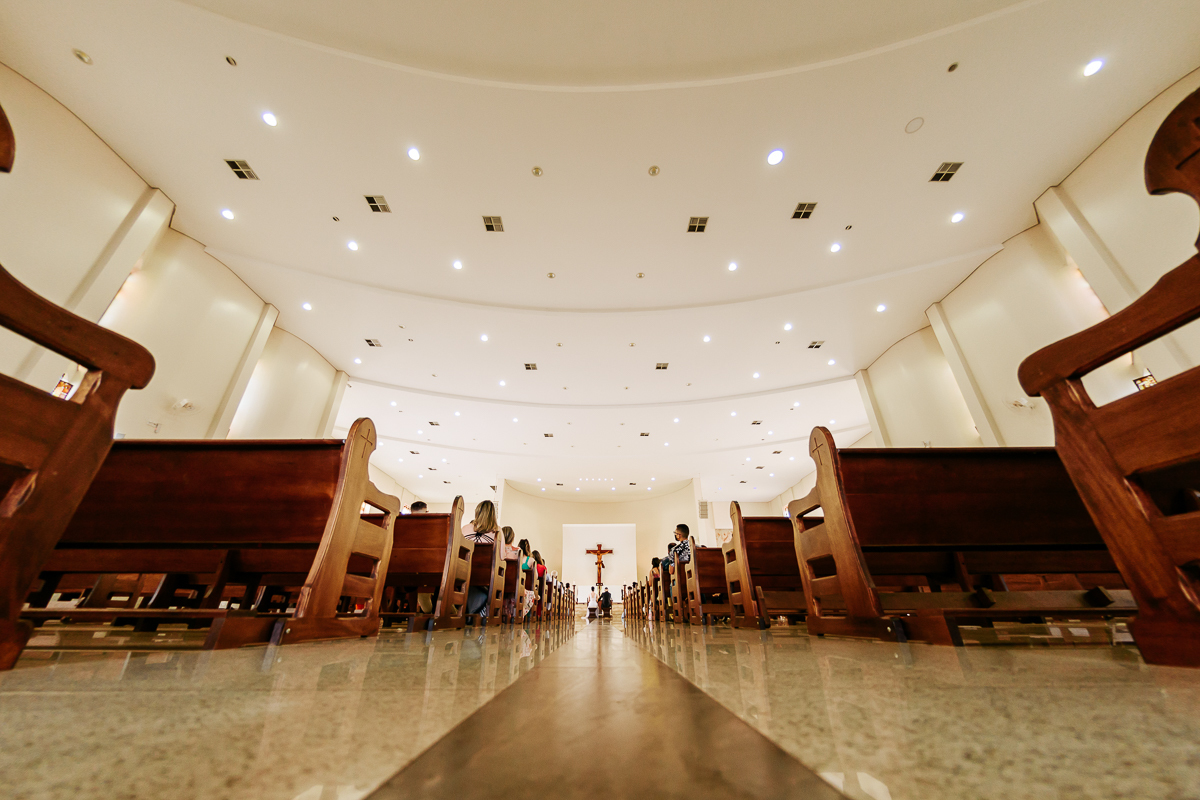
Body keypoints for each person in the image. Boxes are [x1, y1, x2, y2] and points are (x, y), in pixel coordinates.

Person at [464, 500, 500, 616]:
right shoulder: (498, 531)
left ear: (477, 512)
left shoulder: (465, 528)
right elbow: (502, 557)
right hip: (486, 577)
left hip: (463, 573)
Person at [659, 524, 691, 603]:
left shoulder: (674, 550)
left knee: (672, 584)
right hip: (695, 579)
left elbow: (671, 571)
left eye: (675, 533)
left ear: (679, 535)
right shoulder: (697, 547)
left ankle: (677, 610)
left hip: (681, 581)